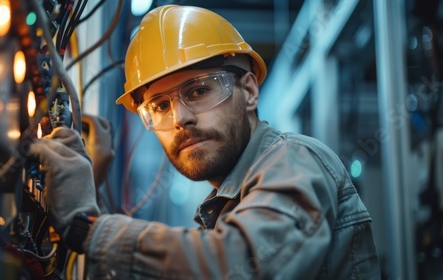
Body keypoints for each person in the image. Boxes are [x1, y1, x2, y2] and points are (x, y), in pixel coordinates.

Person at [29, 5, 381, 279]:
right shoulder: (223, 208)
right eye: (160, 106)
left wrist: (87, 228)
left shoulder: (295, 158)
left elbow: (247, 266)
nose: (180, 119)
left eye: (198, 91)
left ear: (248, 90)